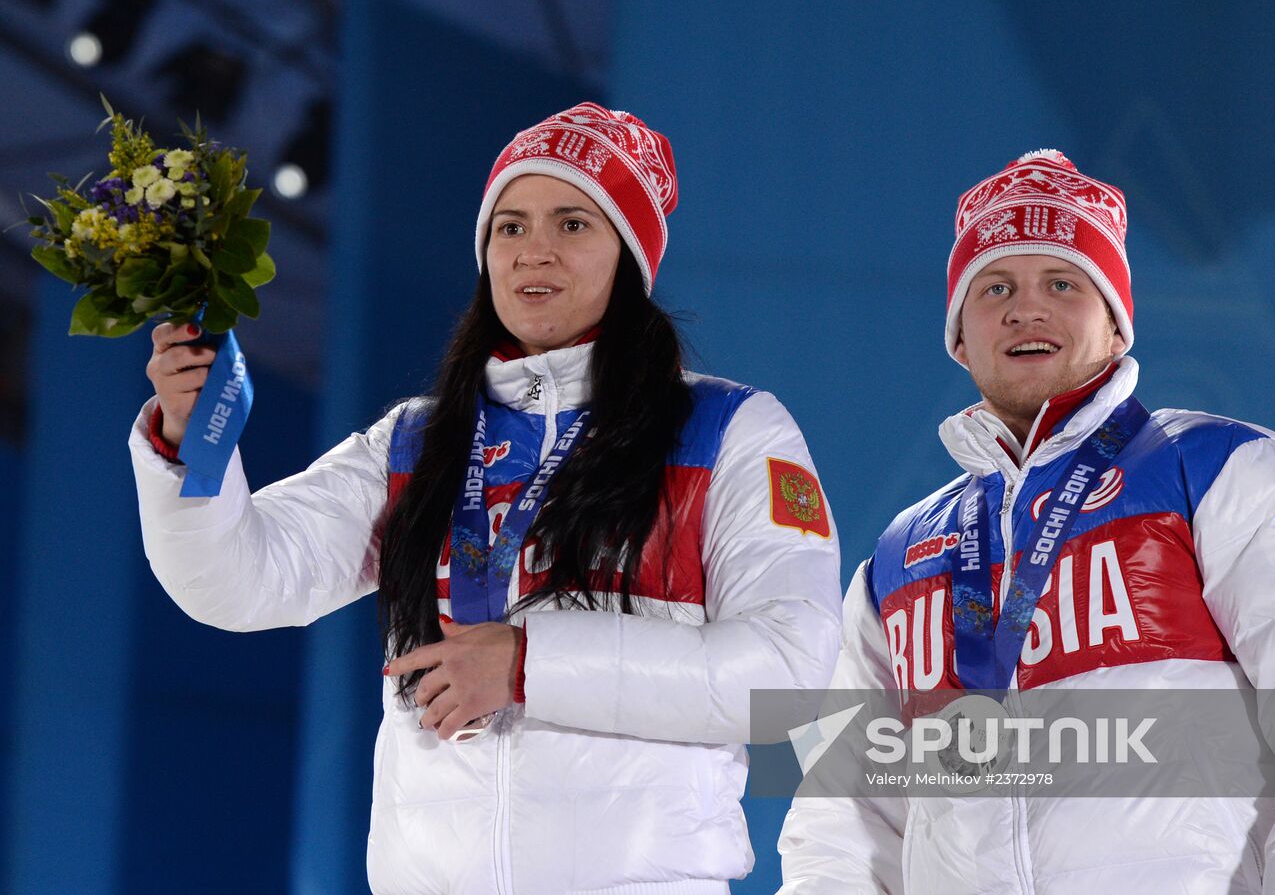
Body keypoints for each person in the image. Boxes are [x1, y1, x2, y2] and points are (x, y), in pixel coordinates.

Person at [131, 103, 843, 894]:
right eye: (509, 226)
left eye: (573, 224)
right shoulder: (416, 443)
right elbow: (240, 582)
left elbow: (788, 679)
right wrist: (187, 445)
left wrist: (529, 665)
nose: (533, 249)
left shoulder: (726, 431)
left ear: (630, 259)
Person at [776, 150, 1275, 893]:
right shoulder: (897, 561)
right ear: (960, 337)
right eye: (995, 286)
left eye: (1063, 283)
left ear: (1114, 323)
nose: (1025, 308)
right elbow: (840, 821)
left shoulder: (1224, 470)